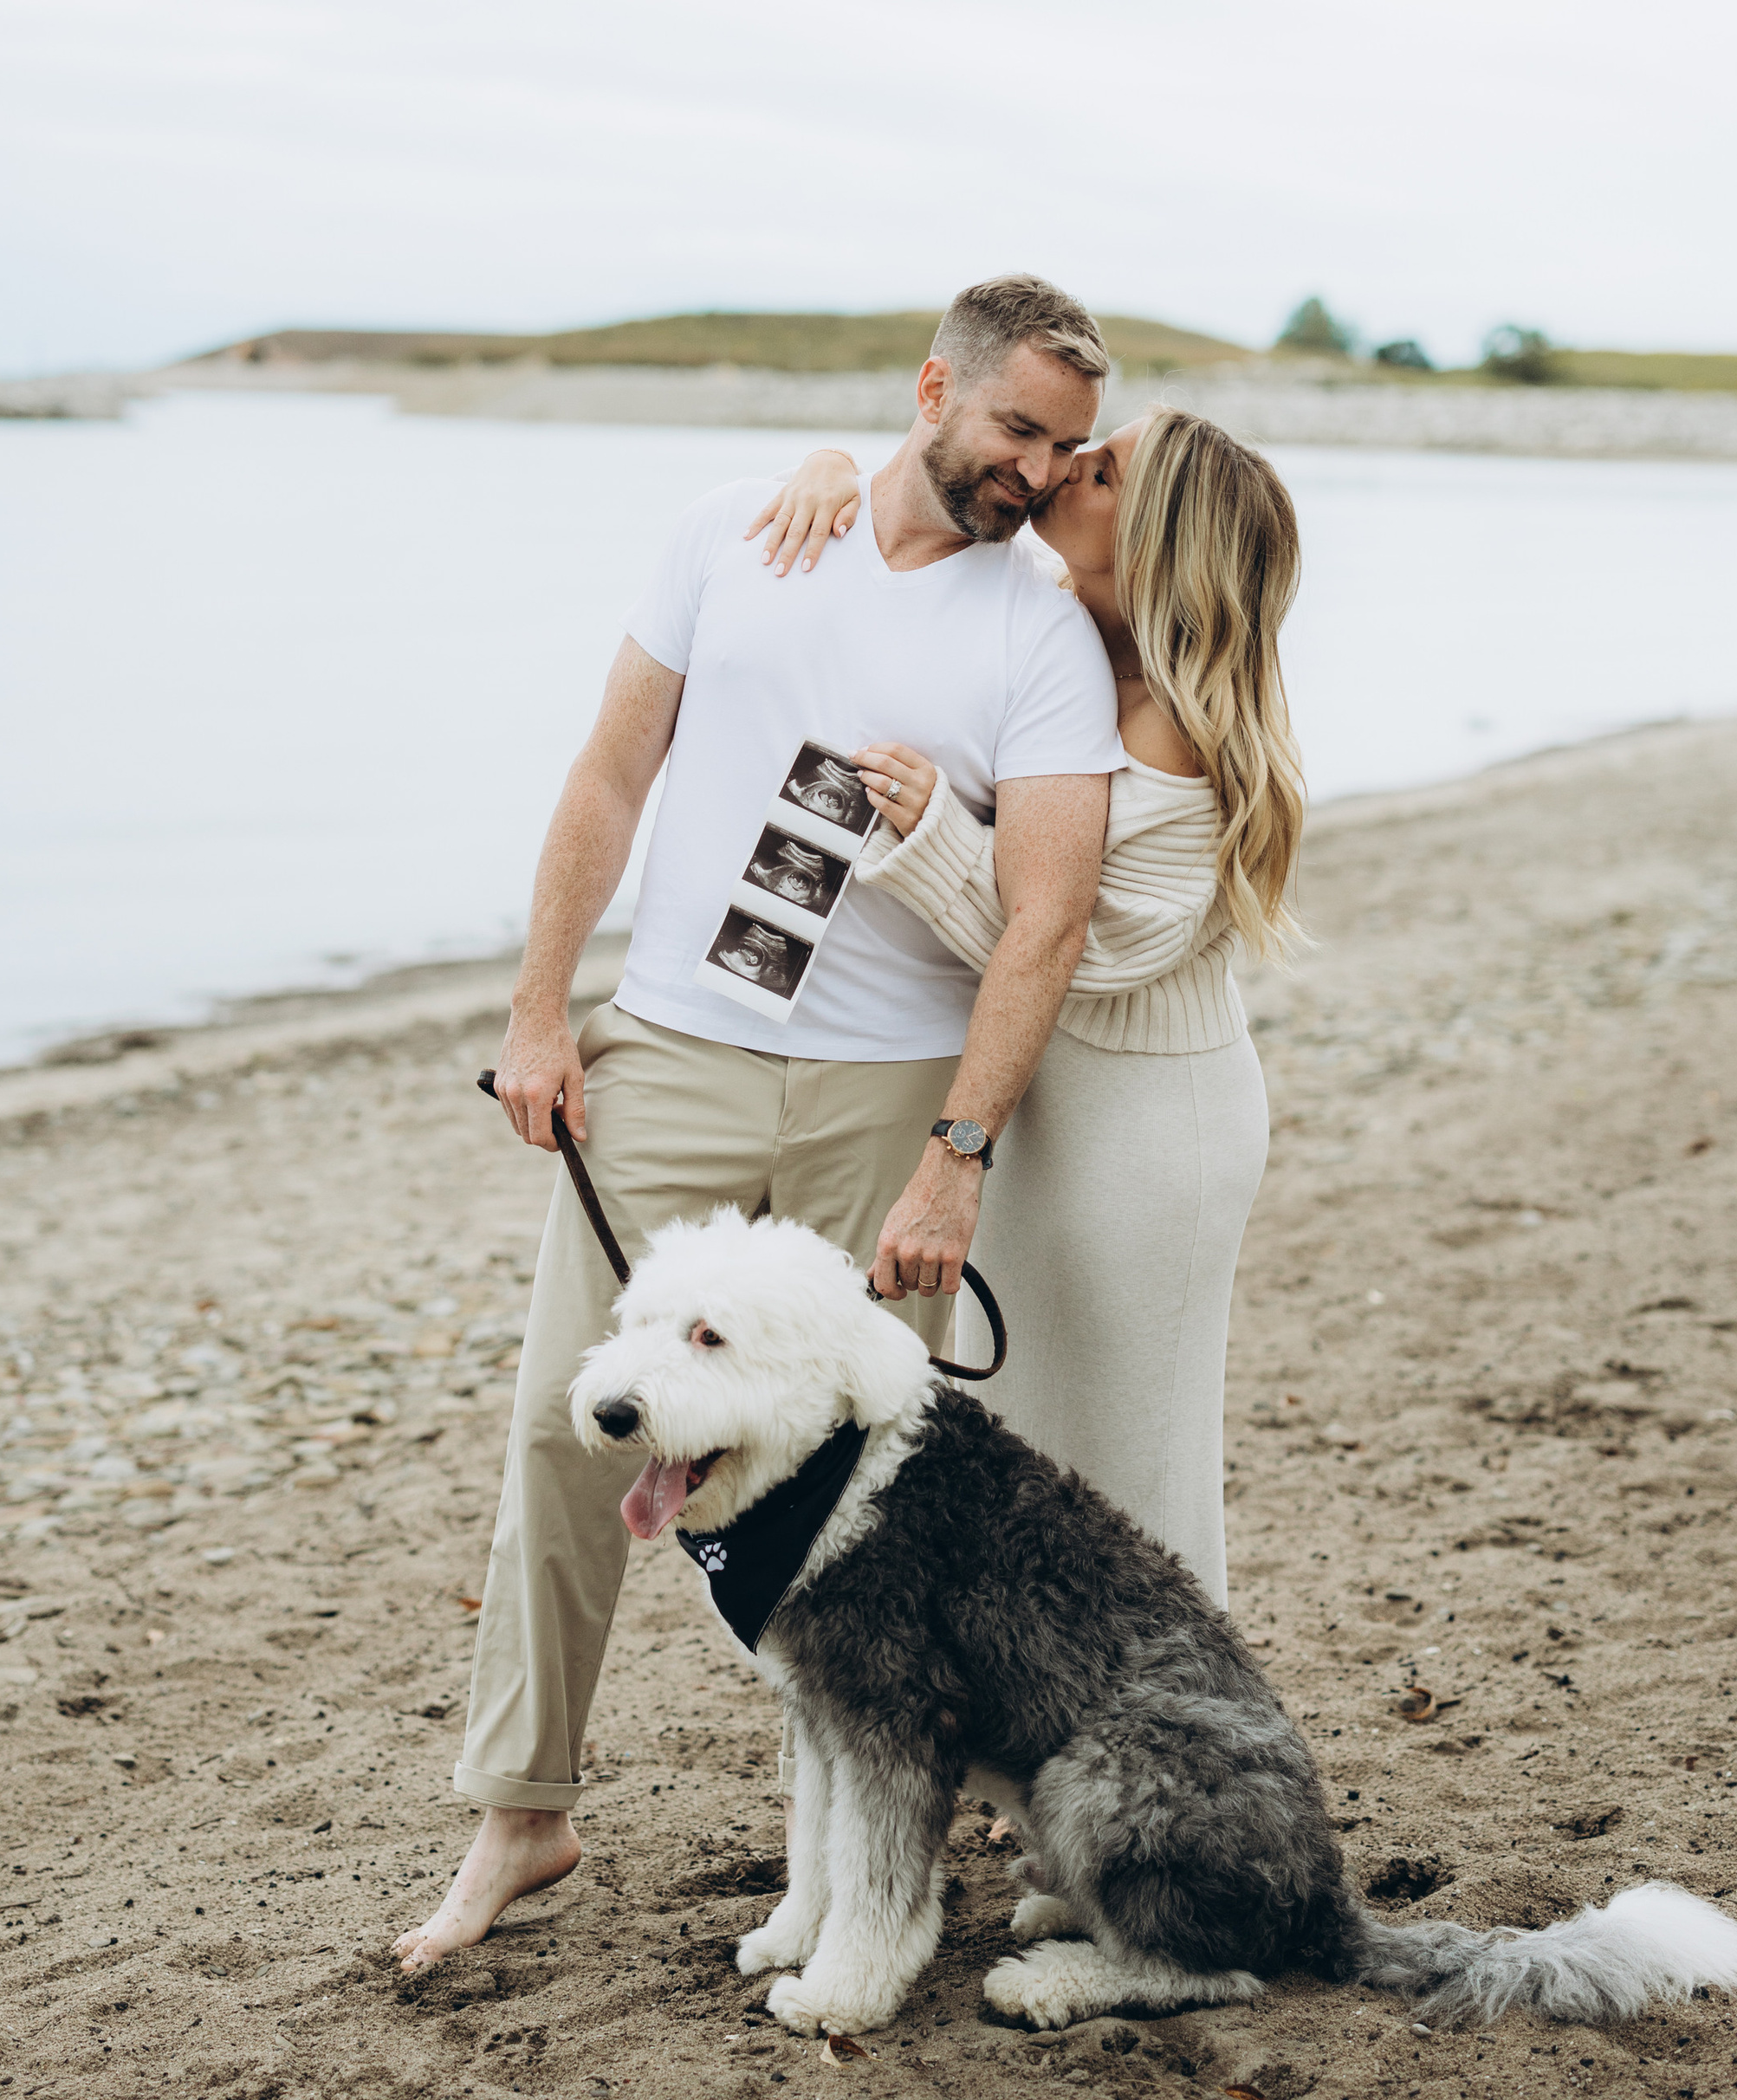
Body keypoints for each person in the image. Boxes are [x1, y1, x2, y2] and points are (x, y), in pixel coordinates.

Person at [392, 275, 1126, 1974]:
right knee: (571, 1431)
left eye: (1061, 444)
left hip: (890, 1097)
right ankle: (523, 1813)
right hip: (671, 1051)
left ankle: (870, 1868)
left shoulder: (1037, 631)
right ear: (930, 389)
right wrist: (533, 1008)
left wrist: (958, 1150)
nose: (1031, 465)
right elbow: (606, 778)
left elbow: (1044, 916)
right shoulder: (734, 529)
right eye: (1012, 424)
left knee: (876, 1495)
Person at [764, 409, 1304, 1606]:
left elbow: (1080, 948)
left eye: (1101, 470)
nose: (1065, 468)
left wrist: (935, 838)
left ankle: (1176, 1740)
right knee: (1029, 1441)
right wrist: (835, 473)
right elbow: (930, 499)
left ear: (1156, 538)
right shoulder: (1069, 644)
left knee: (1136, 1457)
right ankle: (1050, 1746)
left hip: (1147, 1130)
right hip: (1044, 1105)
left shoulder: (1173, 719)